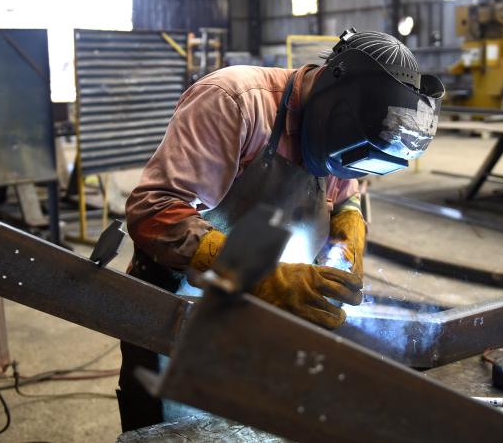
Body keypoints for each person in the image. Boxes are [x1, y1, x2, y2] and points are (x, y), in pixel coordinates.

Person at [116, 28, 444, 431]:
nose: (346, 170)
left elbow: (346, 185)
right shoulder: (234, 101)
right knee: (173, 433)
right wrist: (261, 275)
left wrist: (349, 222)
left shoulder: (344, 136)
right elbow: (154, 211)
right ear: (330, 99)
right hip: (180, 317)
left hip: (269, 323)